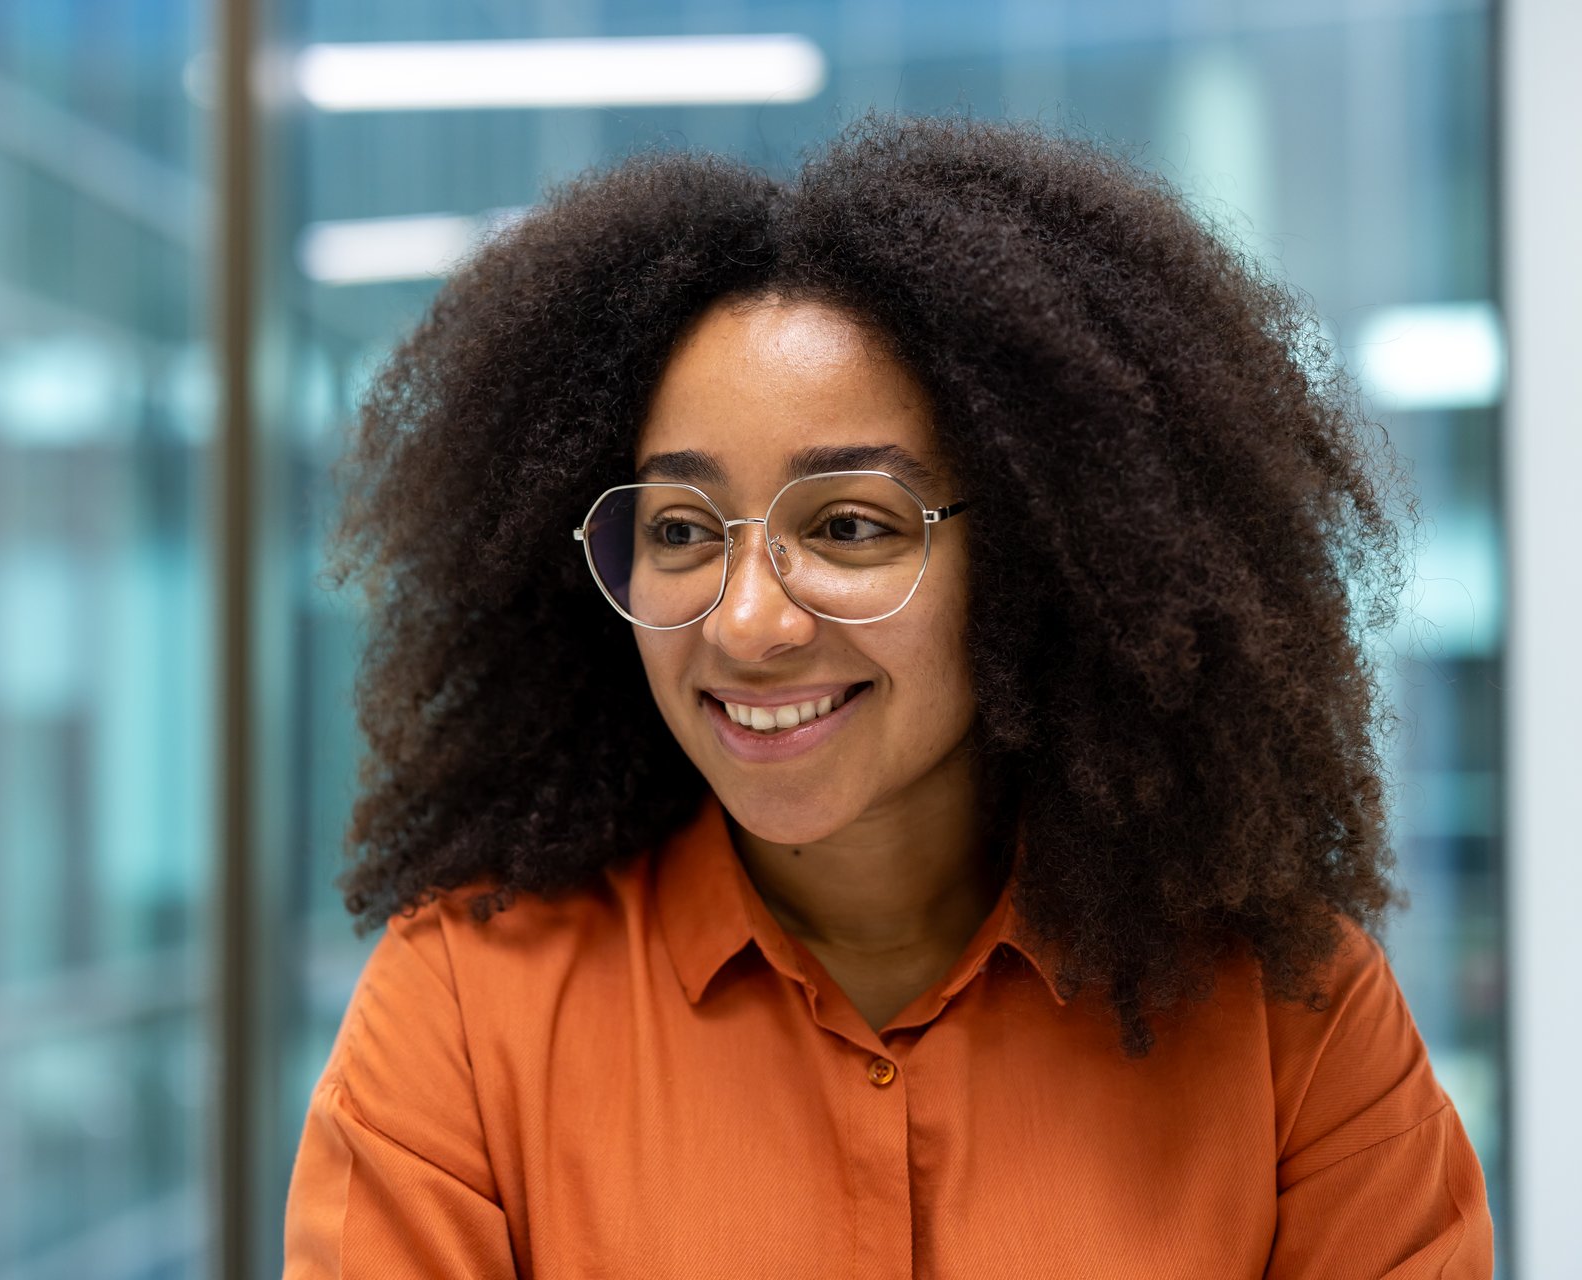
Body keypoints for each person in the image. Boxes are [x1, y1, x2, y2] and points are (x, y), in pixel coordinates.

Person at [282, 112, 1493, 1278]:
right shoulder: (466, 1003)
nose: (748, 620)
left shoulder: (1292, 1022)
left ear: (1035, 556)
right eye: (684, 528)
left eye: (851, 524)